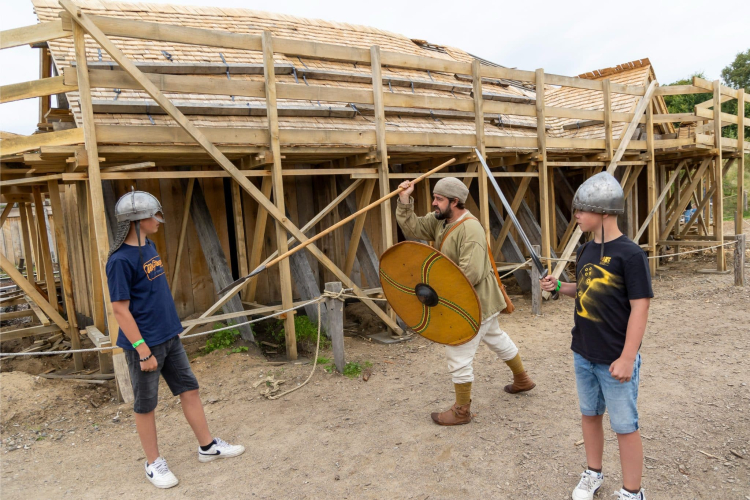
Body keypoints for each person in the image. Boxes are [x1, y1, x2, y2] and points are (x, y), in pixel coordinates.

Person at [106, 190, 244, 489]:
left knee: (189, 389)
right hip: (145, 344)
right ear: (136, 220)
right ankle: (153, 463)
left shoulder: (150, 246)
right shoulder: (119, 261)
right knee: (146, 405)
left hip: (169, 336)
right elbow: (119, 309)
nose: (159, 220)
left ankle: (207, 447)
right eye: (154, 215)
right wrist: (142, 350)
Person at [541, 172, 652, 500]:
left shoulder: (631, 255)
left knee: (624, 426)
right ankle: (593, 472)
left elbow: (640, 307)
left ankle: (633, 492)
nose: (575, 215)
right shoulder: (586, 250)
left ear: (604, 212)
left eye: (581, 209)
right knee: (589, 415)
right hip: (584, 352)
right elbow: (586, 288)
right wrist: (560, 287)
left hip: (615, 358)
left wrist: (628, 357)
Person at [396, 177, 535, 426]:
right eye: (434, 198)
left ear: (455, 201)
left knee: (457, 349)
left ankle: (462, 411)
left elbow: (469, 273)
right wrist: (405, 199)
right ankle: (522, 379)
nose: (433, 203)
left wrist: (437, 295)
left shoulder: (470, 229)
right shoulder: (440, 221)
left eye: (439, 199)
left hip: (473, 302)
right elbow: (413, 229)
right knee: (496, 337)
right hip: (478, 301)